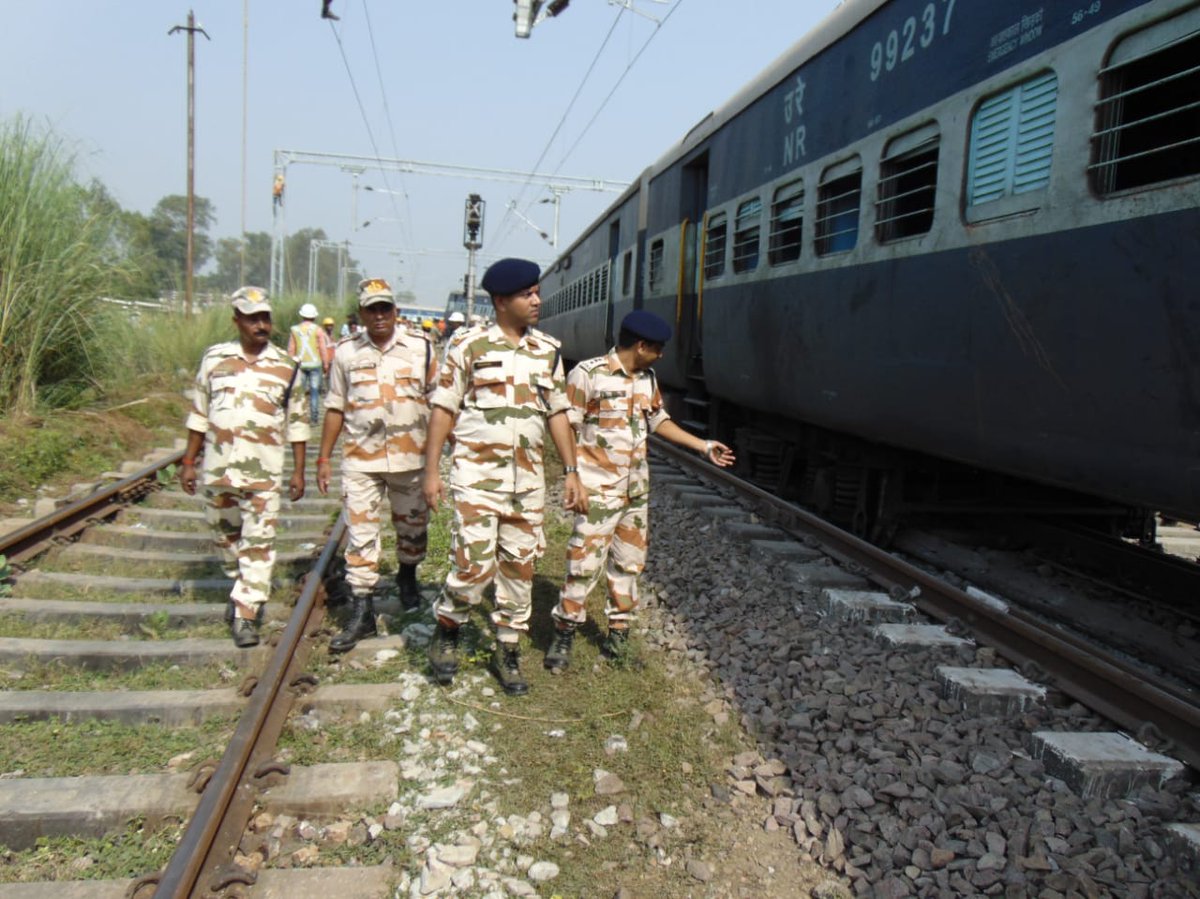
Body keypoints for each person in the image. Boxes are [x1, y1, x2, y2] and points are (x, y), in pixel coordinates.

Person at [423, 258, 586, 695]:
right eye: (526, 294)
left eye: (536, 292)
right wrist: (430, 472)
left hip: (528, 483)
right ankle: (449, 629)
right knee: (473, 567)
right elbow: (444, 408)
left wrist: (571, 471)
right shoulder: (468, 345)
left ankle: (508, 650)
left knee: (519, 568)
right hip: (476, 477)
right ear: (500, 301)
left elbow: (557, 413)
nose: (537, 300)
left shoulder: (547, 350)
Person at [544, 310, 735, 672]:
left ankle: (618, 636)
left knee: (628, 564)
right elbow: (566, 425)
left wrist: (701, 445)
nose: (662, 355)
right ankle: (564, 631)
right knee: (583, 565)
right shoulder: (588, 374)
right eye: (658, 349)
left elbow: (657, 420)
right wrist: (573, 475)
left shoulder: (647, 378)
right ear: (642, 345)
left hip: (635, 492)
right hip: (597, 490)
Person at [179, 287, 309, 647]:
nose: (261, 324)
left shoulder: (287, 366)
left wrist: (299, 471)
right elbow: (199, 413)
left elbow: (297, 423)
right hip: (218, 471)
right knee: (224, 536)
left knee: (259, 543)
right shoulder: (214, 359)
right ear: (236, 320)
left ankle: (247, 612)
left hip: (264, 475)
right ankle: (242, 588)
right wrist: (189, 461)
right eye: (253, 318)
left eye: (265, 317)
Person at [317, 277, 437, 652]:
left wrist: (447, 451)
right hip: (361, 460)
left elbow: (440, 402)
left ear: (396, 311)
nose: (380, 315)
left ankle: (406, 576)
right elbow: (336, 405)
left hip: (410, 458)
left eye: (386, 308)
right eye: (373, 309)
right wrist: (323, 456)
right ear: (362, 314)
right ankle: (362, 611)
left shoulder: (421, 347)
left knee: (413, 529)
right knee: (360, 535)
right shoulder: (345, 352)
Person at [287, 303, 331, 425]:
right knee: (314, 392)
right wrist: (326, 364)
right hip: (315, 365)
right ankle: (314, 418)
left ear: (302, 315)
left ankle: (298, 416)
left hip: (300, 365)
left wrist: (290, 364)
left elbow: (291, 349)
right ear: (314, 317)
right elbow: (322, 348)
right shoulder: (318, 330)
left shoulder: (294, 330)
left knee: (299, 393)